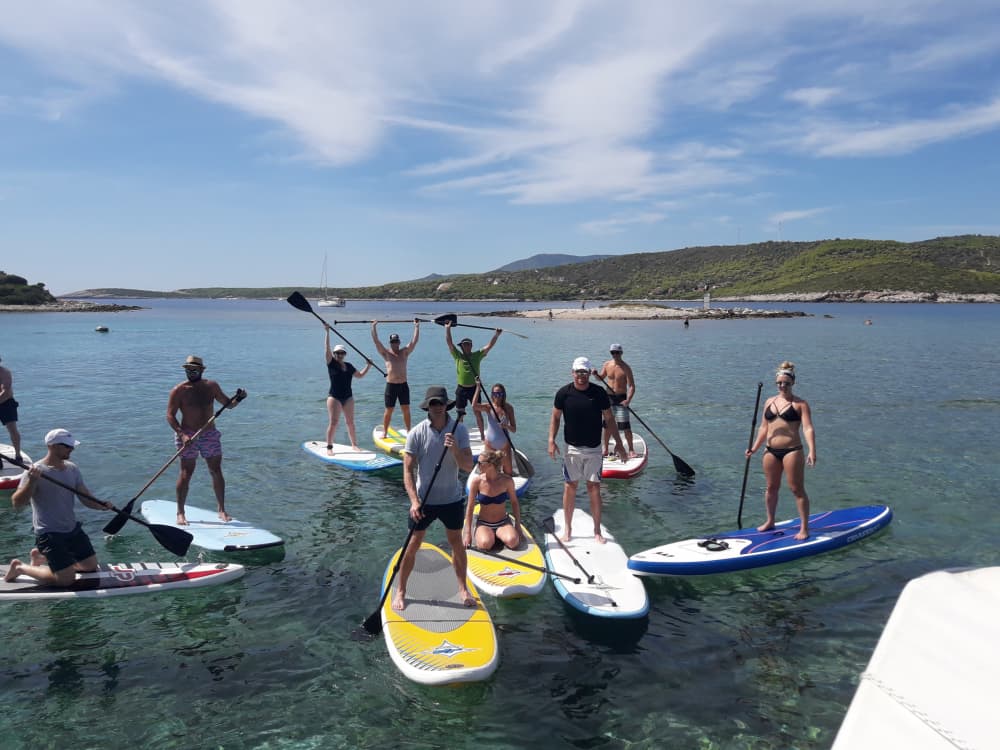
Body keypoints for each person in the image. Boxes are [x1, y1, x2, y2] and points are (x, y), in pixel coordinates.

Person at [393, 386, 476, 611]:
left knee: (456, 544)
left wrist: (456, 450)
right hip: (424, 501)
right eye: (433, 404)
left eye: (440, 403)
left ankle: (462, 588)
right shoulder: (417, 433)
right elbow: (407, 470)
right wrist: (414, 501)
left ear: (446, 405)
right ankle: (401, 590)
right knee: (412, 545)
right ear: (427, 407)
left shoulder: (459, 430)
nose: (437, 407)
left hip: (451, 499)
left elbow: (468, 466)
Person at [5, 429, 111, 585]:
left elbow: (85, 497)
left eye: (72, 446)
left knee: (90, 567)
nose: (71, 449)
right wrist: (32, 482)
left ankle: (41, 558)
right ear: (52, 446)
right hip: (49, 534)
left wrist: (101, 505)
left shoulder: (72, 468)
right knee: (66, 580)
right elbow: (17, 503)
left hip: (72, 529)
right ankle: (20, 567)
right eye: (67, 446)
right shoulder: (34, 472)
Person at [548, 357, 627, 544]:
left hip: (594, 449)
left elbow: (609, 420)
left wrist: (619, 444)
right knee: (570, 486)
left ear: (589, 373)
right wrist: (551, 440)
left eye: (584, 372)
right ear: (572, 373)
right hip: (572, 449)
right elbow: (556, 417)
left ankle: (597, 531)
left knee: (594, 488)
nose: (581, 376)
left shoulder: (599, 393)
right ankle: (567, 529)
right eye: (578, 372)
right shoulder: (563, 393)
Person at [166, 355, 242, 525]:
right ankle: (180, 512)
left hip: (209, 434)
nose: (190, 373)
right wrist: (182, 434)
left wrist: (239, 398)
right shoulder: (179, 390)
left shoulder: (211, 386)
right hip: (187, 435)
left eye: (194, 370)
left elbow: (228, 405)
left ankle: (222, 510)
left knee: (216, 470)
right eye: (187, 370)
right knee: (186, 473)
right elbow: (170, 415)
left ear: (201, 370)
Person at [745, 361, 817, 540]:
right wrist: (754, 448)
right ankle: (770, 521)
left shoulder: (800, 404)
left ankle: (804, 528)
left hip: (792, 451)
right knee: (771, 487)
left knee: (796, 489)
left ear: (793, 382)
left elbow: (808, 428)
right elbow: (763, 428)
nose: (782, 386)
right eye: (779, 383)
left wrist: (812, 450)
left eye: (786, 383)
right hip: (771, 451)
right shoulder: (769, 401)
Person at [444, 322, 502, 442]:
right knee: (460, 414)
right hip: (461, 389)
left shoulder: (477, 355)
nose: (465, 347)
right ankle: (460, 436)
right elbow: (449, 344)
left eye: (467, 345)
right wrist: (448, 329)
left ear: (471, 346)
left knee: (478, 413)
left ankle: (482, 436)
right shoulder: (458, 356)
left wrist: (496, 335)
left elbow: (489, 346)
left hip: (474, 389)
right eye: (463, 345)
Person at [324, 329, 372, 452]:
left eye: (342, 353)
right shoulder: (331, 363)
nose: (340, 355)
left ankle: (354, 445)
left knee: (350, 422)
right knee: (334, 422)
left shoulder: (349, 366)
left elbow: (360, 375)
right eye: (337, 353)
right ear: (334, 354)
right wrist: (327, 332)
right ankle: (329, 447)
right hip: (334, 397)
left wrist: (368, 365)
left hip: (348, 397)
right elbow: (327, 349)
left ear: (345, 354)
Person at [463, 449, 522, 552]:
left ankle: (499, 536)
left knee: (513, 542)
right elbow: (470, 507)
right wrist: (467, 532)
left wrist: (517, 525)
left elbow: (514, 503)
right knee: (485, 544)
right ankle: (488, 536)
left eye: (480, 463)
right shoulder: (477, 481)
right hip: (484, 523)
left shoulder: (507, 481)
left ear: (490, 465)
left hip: (502, 522)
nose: (477, 465)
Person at [371, 319, 419, 435]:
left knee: (406, 410)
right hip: (391, 386)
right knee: (389, 410)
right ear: (390, 343)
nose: (395, 343)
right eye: (392, 342)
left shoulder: (404, 352)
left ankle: (408, 431)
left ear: (399, 342)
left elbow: (414, 342)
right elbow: (376, 341)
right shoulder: (386, 353)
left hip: (403, 385)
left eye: (396, 341)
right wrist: (373, 327)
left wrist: (416, 327)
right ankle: (385, 432)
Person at [597, 343, 637, 458]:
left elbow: (632, 386)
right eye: (612, 352)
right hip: (608, 398)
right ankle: (605, 449)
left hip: (621, 399)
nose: (615, 355)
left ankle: (631, 450)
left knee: (625, 426)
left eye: (617, 352)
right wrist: (595, 374)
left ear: (621, 353)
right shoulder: (607, 364)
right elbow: (601, 378)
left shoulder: (626, 367)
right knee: (607, 425)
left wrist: (628, 400)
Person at [471, 380, 517, 475]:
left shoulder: (509, 408)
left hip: (504, 445)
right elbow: (474, 406)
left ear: (503, 394)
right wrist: (478, 388)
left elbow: (514, 429)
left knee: (508, 472)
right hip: (490, 444)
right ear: (492, 395)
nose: (497, 396)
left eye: (500, 394)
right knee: (488, 472)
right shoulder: (488, 407)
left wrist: (506, 426)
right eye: (495, 394)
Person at [0, 356, 21, 461]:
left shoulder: (5, 373)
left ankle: (18, 455)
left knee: (12, 429)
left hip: (6, 403)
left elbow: (6, 390)